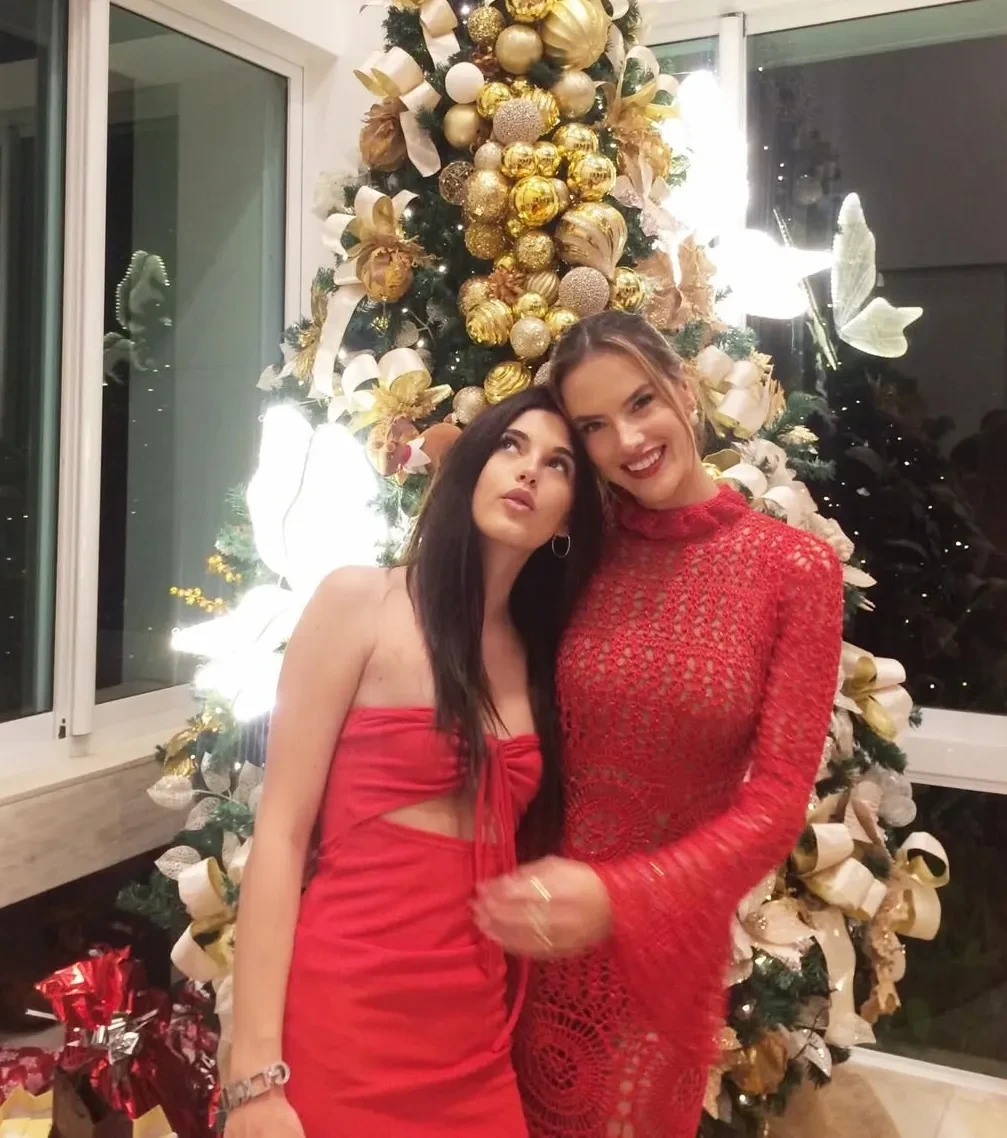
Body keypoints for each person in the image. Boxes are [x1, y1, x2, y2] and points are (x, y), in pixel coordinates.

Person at [474, 312, 844, 1138]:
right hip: (521, 924)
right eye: (594, 427)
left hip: (659, 951)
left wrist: (616, 897)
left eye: (641, 402)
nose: (628, 441)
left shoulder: (793, 570)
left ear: (682, 386)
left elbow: (776, 805)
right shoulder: (573, 549)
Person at [222, 387, 603, 1138]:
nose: (529, 470)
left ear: (567, 517)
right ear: (471, 463)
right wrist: (255, 1079)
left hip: (473, 1034)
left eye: (557, 464)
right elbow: (281, 836)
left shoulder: (540, 657)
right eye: (510, 445)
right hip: (346, 1018)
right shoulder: (358, 602)